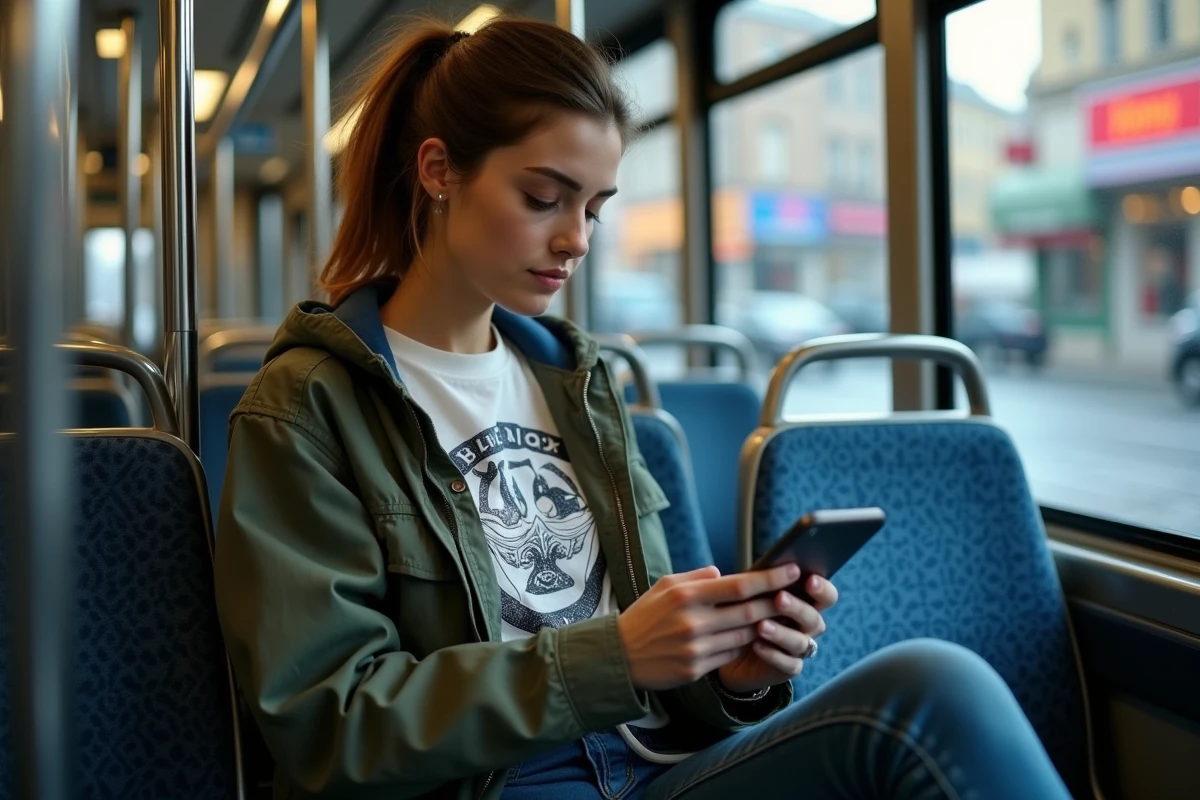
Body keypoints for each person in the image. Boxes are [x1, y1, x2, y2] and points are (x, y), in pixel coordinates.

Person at [213, 15, 1074, 800]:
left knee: (929, 690)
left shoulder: (579, 386)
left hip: (646, 768)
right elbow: (328, 724)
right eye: (543, 198)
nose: (576, 239)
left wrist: (730, 676)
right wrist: (614, 657)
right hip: (494, 786)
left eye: (593, 208)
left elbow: (657, 675)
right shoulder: (307, 408)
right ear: (439, 171)